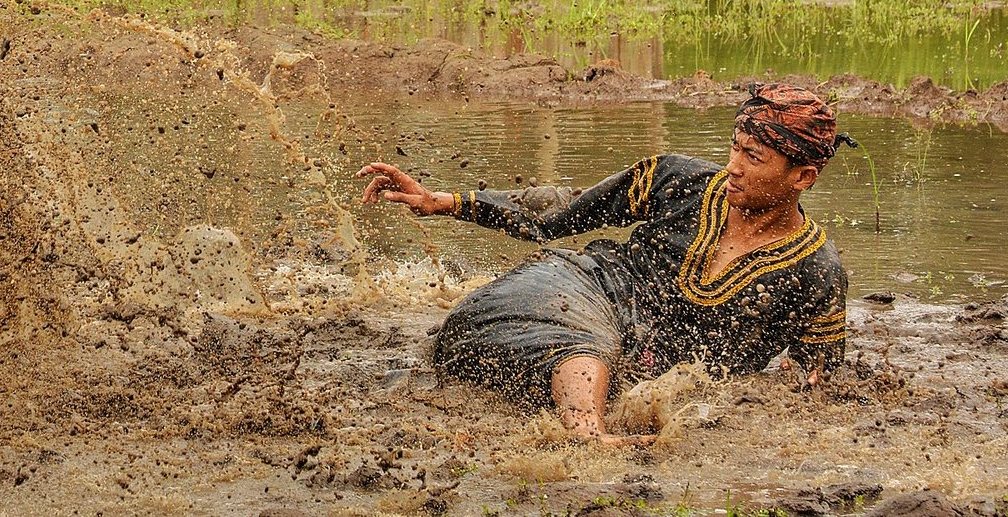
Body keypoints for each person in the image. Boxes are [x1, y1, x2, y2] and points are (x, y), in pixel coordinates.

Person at [358, 84, 855, 445]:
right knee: (577, 337)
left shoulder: (816, 270)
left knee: (598, 356)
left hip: (647, 371)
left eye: (754, 158)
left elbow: (815, 380)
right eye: (735, 148)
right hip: (579, 290)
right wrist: (446, 201)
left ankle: (584, 423)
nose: (733, 166)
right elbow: (559, 212)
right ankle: (588, 439)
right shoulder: (678, 180)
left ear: (803, 177)